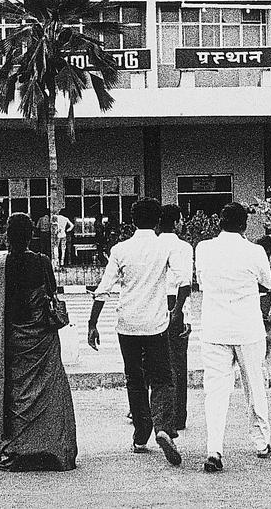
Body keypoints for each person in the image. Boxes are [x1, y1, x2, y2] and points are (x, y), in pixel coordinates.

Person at [87, 197, 186, 466]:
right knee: (163, 377)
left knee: (135, 377)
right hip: (156, 325)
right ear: (157, 221)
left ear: (132, 221)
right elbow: (183, 281)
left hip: (127, 324)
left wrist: (92, 324)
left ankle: (141, 433)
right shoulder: (164, 248)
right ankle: (163, 426)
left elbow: (104, 289)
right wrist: (176, 310)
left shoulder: (120, 249)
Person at [0, 213, 77, 472]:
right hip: (42, 338)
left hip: (14, 339)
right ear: (31, 236)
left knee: (16, 395)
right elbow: (51, 293)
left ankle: (19, 450)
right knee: (48, 394)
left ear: (6, 236)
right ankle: (52, 450)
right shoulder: (42, 262)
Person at [195, 203, 271, 472]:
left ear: (220, 222)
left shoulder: (203, 249)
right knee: (254, 385)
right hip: (247, 328)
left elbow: (202, 282)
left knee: (215, 392)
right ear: (244, 226)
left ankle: (214, 449)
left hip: (215, 328)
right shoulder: (254, 251)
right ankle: (261, 442)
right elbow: (268, 283)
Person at [157, 204, 194, 433]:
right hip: (175, 304)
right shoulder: (184, 247)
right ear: (178, 221)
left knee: (153, 362)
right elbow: (186, 283)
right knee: (178, 363)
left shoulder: (153, 245)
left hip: (155, 302)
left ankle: (156, 413)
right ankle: (178, 415)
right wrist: (184, 314)